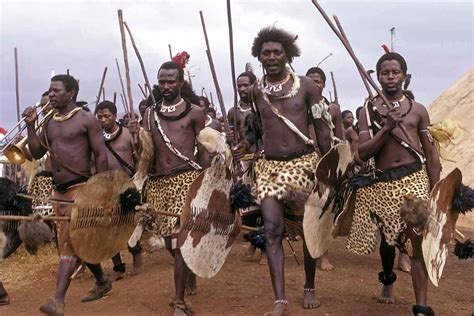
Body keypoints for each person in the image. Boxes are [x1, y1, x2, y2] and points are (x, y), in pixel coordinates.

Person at [238, 26, 332, 314]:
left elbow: (322, 129)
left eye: (277, 52)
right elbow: (258, 128)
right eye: (265, 53)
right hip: (269, 170)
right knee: (272, 231)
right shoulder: (256, 91)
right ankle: (279, 300)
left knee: (308, 230)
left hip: (304, 166)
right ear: (259, 56)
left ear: (287, 54)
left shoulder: (306, 86)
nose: (271, 57)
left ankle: (309, 285)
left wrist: (328, 169)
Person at [346, 52, 441, 316]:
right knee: (388, 243)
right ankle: (387, 277)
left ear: (404, 76)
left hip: (414, 180)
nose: (390, 77)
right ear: (378, 76)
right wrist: (386, 128)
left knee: (416, 242)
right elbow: (363, 153)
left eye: (395, 72)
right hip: (383, 185)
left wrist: (436, 190)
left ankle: (421, 306)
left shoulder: (418, 110)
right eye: (385, 73)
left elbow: (430, 153)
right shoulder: (367, 110)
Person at [23, 74, 112, 315]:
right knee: (77, 243)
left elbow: (101, 155)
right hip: (58, 193)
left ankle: (58, 302)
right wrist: (31, 125)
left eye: (56, 90)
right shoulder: (49, 121)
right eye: (49, 90)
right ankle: (103, 280)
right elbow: (35, 151)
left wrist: (99, 191)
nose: (51, 94)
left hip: (80, 190)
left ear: (70, 93)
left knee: (68, 245)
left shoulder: (86, 120)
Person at [139, 61, 211, 315]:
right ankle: (187, 272)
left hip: (186, 180)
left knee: (179, 241)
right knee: (169, 244)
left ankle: (179, 301)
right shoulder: (150, 114)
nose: (166, 86)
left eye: (171, 81)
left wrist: (207, 183)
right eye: (162, 81)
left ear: (181, 82)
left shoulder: (194, 112)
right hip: (159, 184)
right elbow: (146, 153)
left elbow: (202, 150)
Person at [95, 100, 139, 280]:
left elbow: (139, 158)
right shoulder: (95, 137)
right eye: (100, 117)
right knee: (108, 226)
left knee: (129, 223)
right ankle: (118, 266)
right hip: (106, 186)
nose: (104, 120)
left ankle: (136, 251)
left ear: (115, 116)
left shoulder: (128, 134)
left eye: (107, 116)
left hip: (127, 185)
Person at [227, 71, 267, 265]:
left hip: (265, 161)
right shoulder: (233, 112)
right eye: (239, 86)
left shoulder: (265, 106)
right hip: (244, 164)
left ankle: (266, 249)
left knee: (266, 205)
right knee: (248, 207)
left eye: (246, 85)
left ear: (254, 85)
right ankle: (254, 243)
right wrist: (233, 147)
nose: (242, 89)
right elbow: (236, 139)